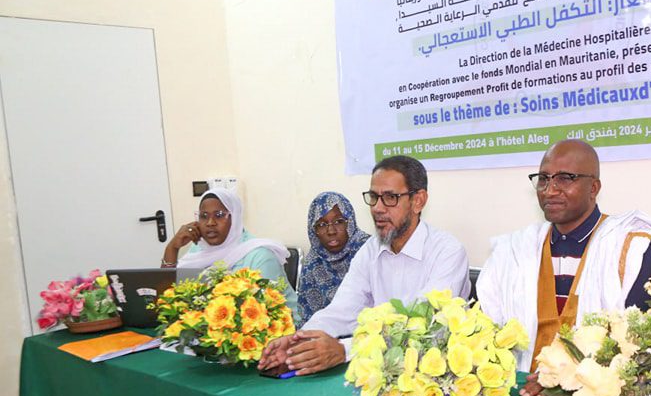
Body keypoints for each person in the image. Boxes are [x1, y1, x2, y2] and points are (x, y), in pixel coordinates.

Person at [477, 139, 651, 396]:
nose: (550, 190)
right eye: (543, 179)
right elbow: (488, 331)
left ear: (594, 188)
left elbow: (641, 345)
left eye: (565, 178)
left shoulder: (630, 248)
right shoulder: (514, 251)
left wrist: (564, 377)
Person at [258, 156, 470, 376]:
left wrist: (344, 350)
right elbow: (343, 309)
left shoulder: (447, 252)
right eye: (374, 197)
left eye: (390, 198)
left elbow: (423, 330)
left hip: (435, 374)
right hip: (377, 369)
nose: (377, 208)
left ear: (418, 201)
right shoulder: (370, 250)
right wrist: (298, 342)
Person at [162, 187, 299, 321]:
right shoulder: (198, 250)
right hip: (215, 327)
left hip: (276, 327)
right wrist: (172, 248)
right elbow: (167, 298)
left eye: (219, 215)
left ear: (235, 218)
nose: (210, 223)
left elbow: (264, 312)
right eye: (204, 216)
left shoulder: (260, 256)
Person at [298, 191, 370, 323]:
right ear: (314, 230)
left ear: (350, 222)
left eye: (339, 222)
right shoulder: (313, 263)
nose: (331, 231)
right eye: (321, 225)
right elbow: (307, 319)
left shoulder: (369, 252)